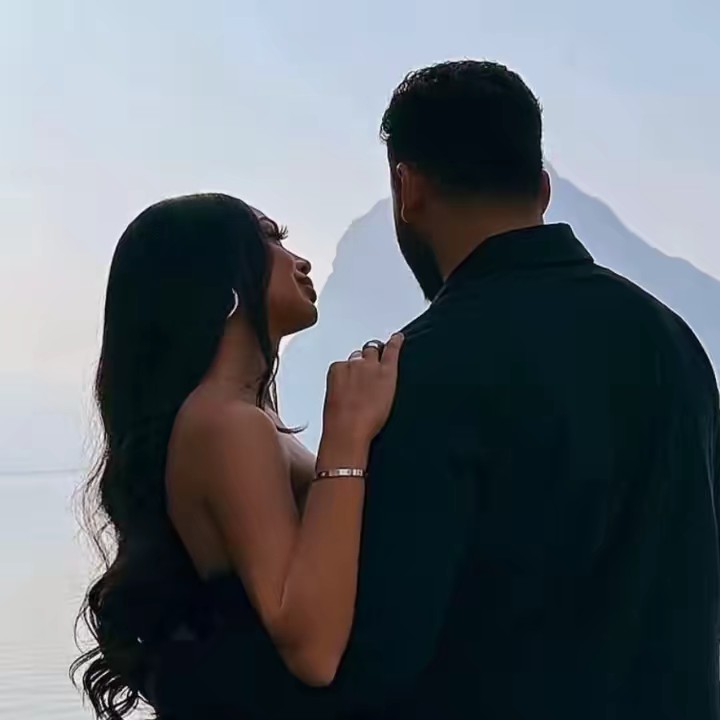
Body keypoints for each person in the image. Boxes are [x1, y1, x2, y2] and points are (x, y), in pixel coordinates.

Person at [148, 61, 720, 720]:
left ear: (408, 187)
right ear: (542, 189)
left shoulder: (417, 371)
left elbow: (374, 660)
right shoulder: (675, 344)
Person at [71, 193, 404, 719]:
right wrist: (346, 437)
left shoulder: (238, 419)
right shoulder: (226, 423)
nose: (300, 261)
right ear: (220, 284)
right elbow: (312, 650)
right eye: (270, 240)